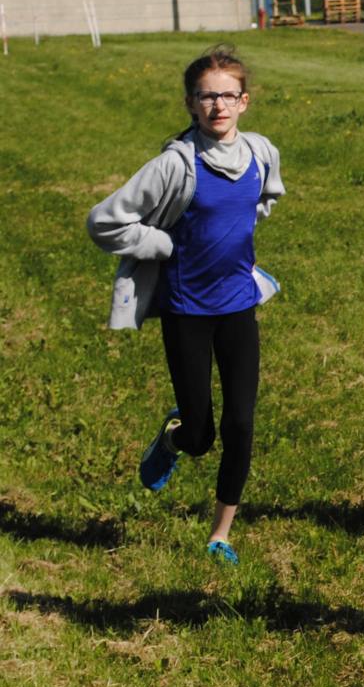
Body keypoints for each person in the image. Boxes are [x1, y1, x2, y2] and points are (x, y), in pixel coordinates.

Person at [86, 46, 286, 565]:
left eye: (228, 95)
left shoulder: (261, 153)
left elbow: (264, 198)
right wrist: (161, 243)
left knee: (241, 423)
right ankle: (176, 438)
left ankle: (221, 534)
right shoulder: (175, 165)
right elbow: (104, 221)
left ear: (244, 101)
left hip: (238, 306)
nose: (218, 105)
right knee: (201, 435)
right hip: (186, 310)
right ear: (191, 103)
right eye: (206, 96)